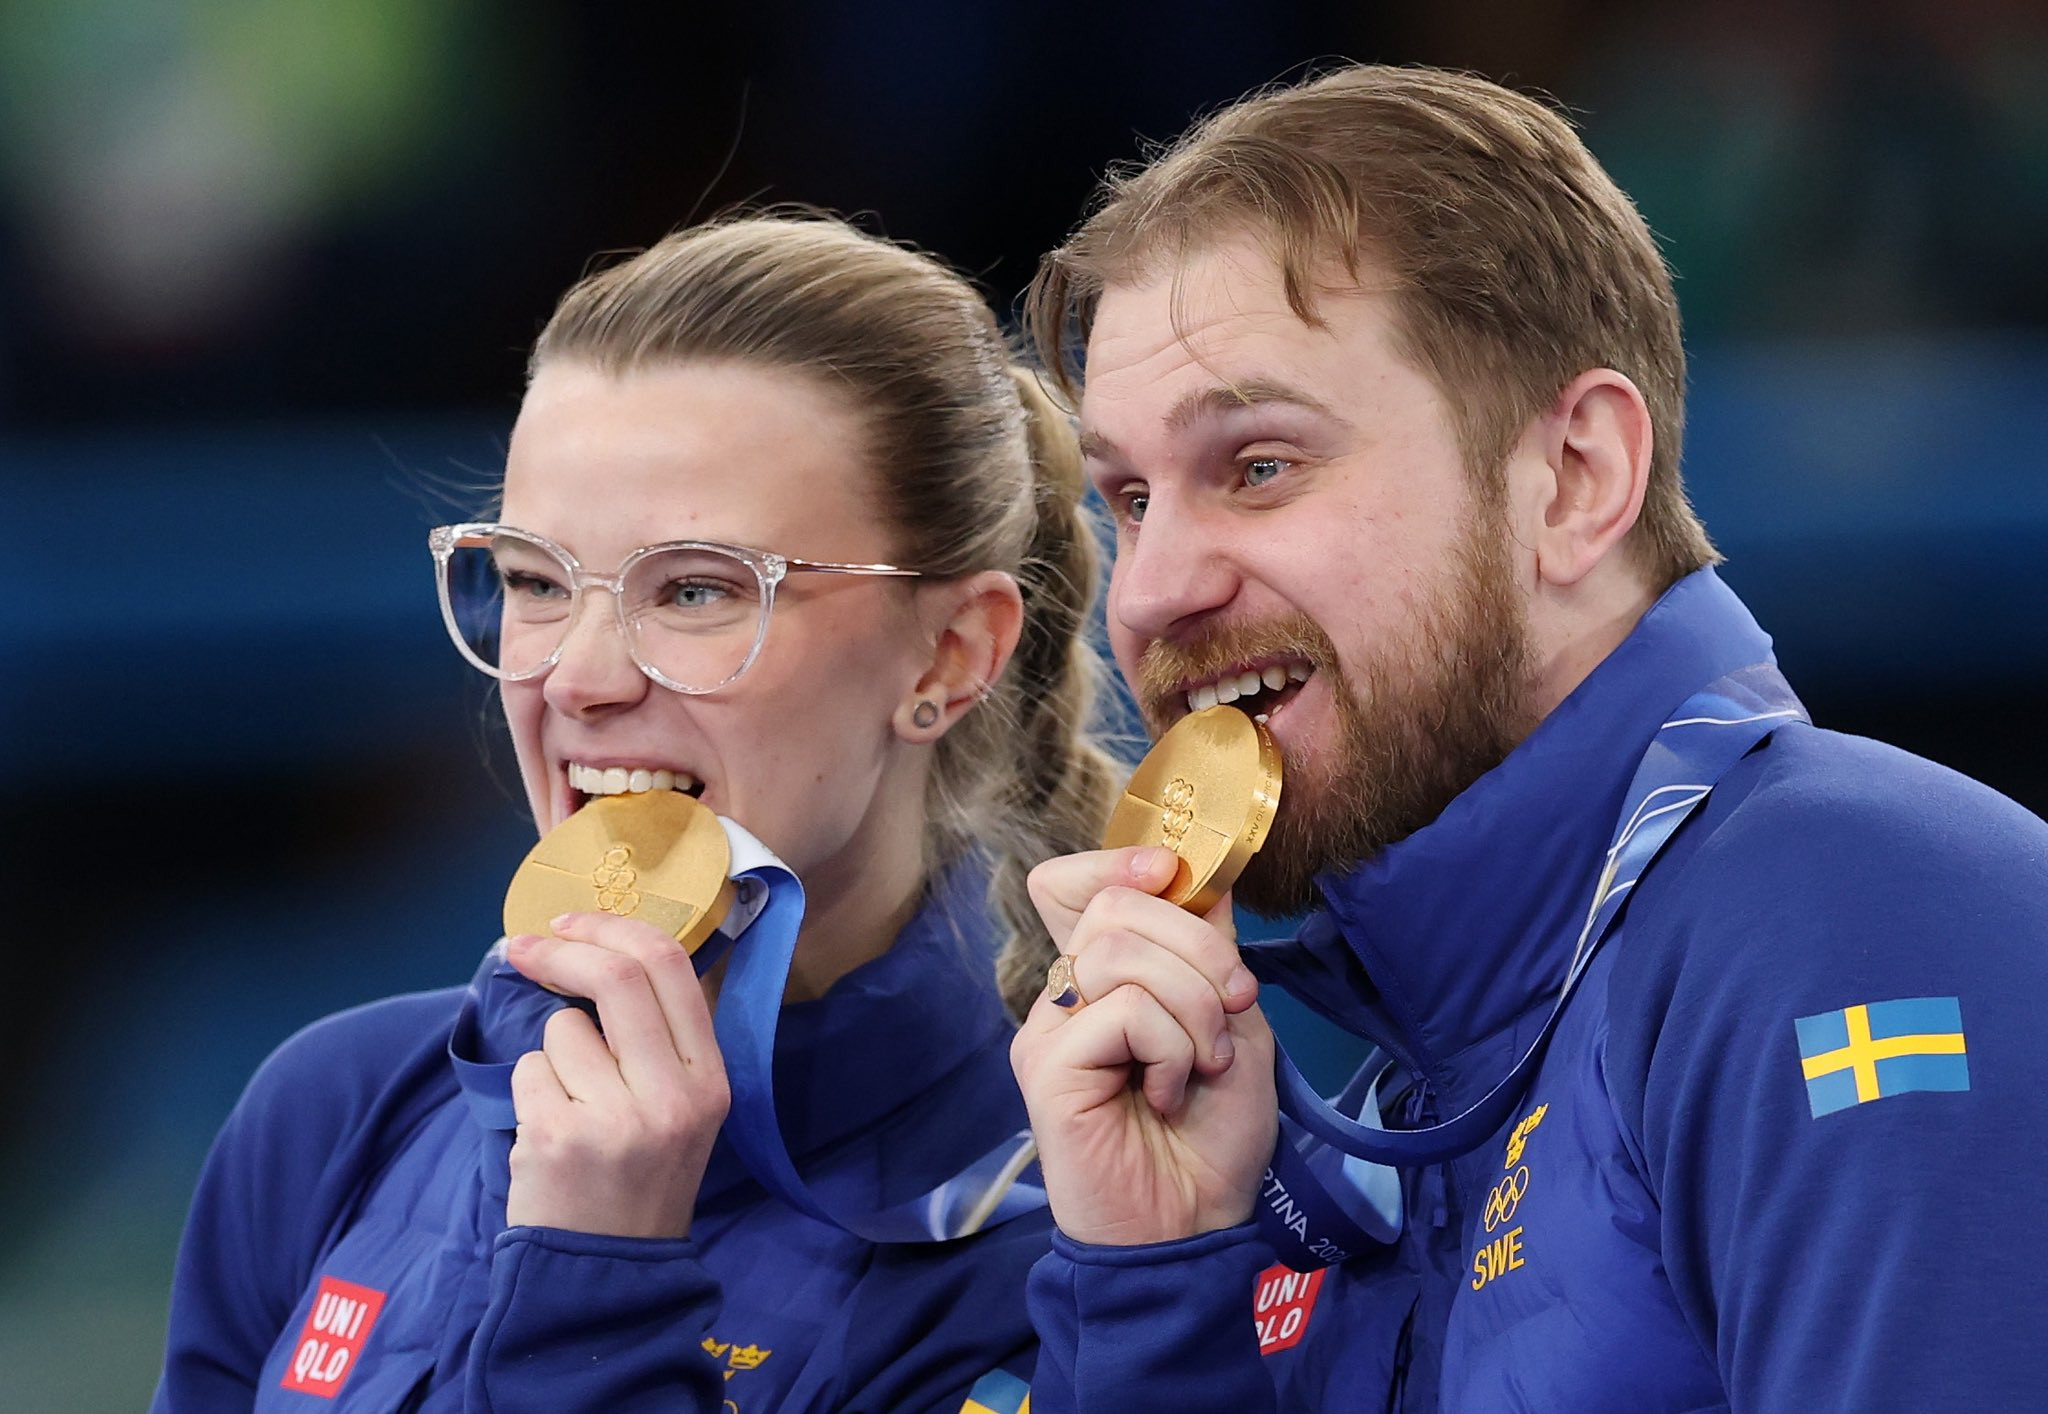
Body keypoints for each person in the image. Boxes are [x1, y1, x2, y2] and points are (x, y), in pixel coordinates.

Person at [1007, 64, 2048, 1411]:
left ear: (1574, 478)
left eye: (1258, 466)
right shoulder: (1381, 1088)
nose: (1148, 591)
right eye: (1131, 497)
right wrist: (1158, 1280)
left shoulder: (1850, 917)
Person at [153, 212, 1120, 1412]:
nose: (576, 676)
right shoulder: (340, 1110)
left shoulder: (1080, 1229)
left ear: (950, 653)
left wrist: (592, 1287)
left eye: (698, 589)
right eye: (535, 580)